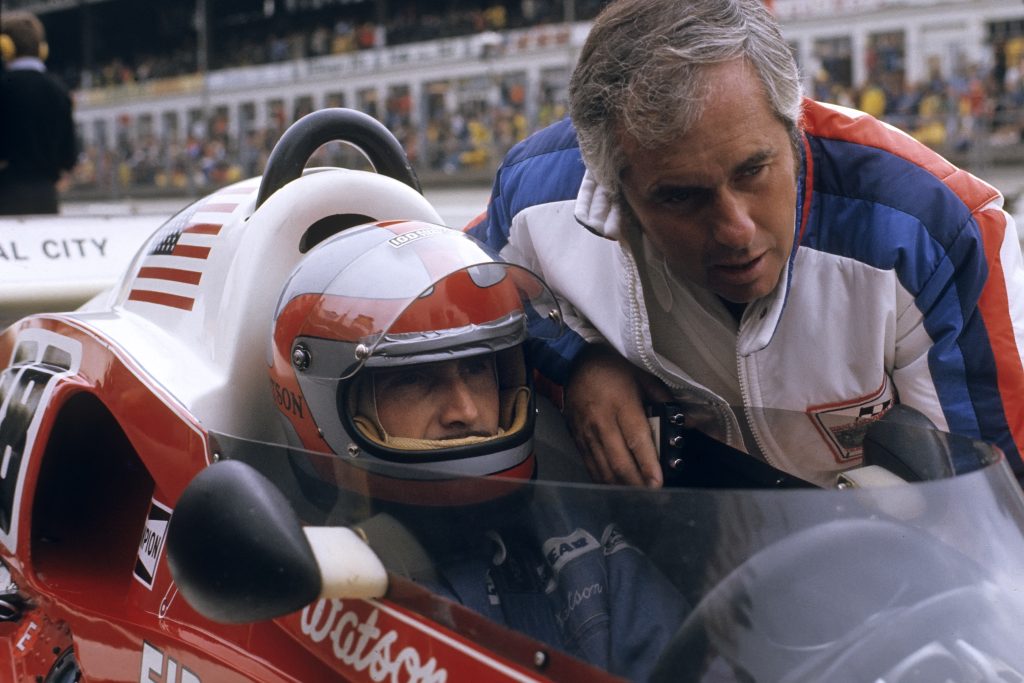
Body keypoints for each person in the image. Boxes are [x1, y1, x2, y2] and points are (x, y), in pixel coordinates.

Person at [468, 0, 1024, 488]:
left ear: (794, 126)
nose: (734, 229)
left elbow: (995, 501)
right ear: (614, 188)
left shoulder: (936, 229)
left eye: (754, 170)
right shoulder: (537, 194)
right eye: (681, 197)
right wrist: (575, 363)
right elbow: (457, 292)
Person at [268, 220, 688, 680]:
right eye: (413, 379)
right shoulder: (293, 577)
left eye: (476, 370)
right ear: (325, 404)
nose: (464, 411)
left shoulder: (582, 546)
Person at [0, 10, 77, 215]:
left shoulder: (4, 88)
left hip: (6, 195)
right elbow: (69, 158)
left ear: (5, 47)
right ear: (42, 49)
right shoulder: (60, 91)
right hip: (47, 198)